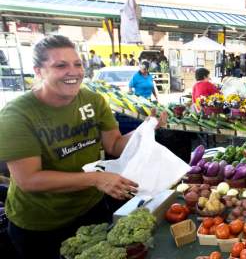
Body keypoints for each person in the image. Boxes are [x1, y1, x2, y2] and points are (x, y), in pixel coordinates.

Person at [0, 35, 167, 258]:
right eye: (61, 65)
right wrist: (97, 179)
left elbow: (115, 145)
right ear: (38, 71)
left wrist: (146, 130)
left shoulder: (93, 101)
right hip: (41, 224)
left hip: (91, 210)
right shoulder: (17, 115)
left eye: (77, 64)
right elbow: (29, 180)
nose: (74, 71)